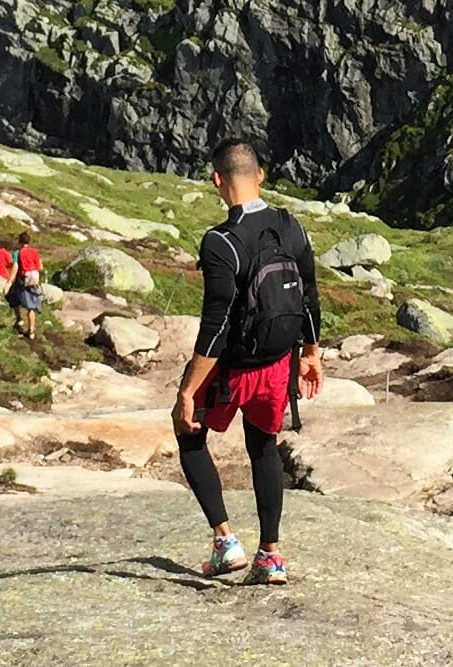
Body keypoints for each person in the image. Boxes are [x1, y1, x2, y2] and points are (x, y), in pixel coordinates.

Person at [173, 136, 324, 587]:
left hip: (232, 370)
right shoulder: (290, 225)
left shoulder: (221, 241)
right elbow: (310, 296)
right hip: (278, 363)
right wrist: (311, 354)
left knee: (188, 431)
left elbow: (215, 324)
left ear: (217, 180)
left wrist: (186, 389)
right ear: (260, 175)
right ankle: (270, 556)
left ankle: (225, 543)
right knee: (263, 447)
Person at [6, 230, 44, 341]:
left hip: (21, 281)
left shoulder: (17, 253)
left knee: (14, 299)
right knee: (30, 306)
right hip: (33, 281)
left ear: (19, 242)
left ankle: (20, 320)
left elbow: (15, 267)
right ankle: (30, 329)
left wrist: (9, 282)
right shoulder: (34, 252)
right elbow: (40, 267)